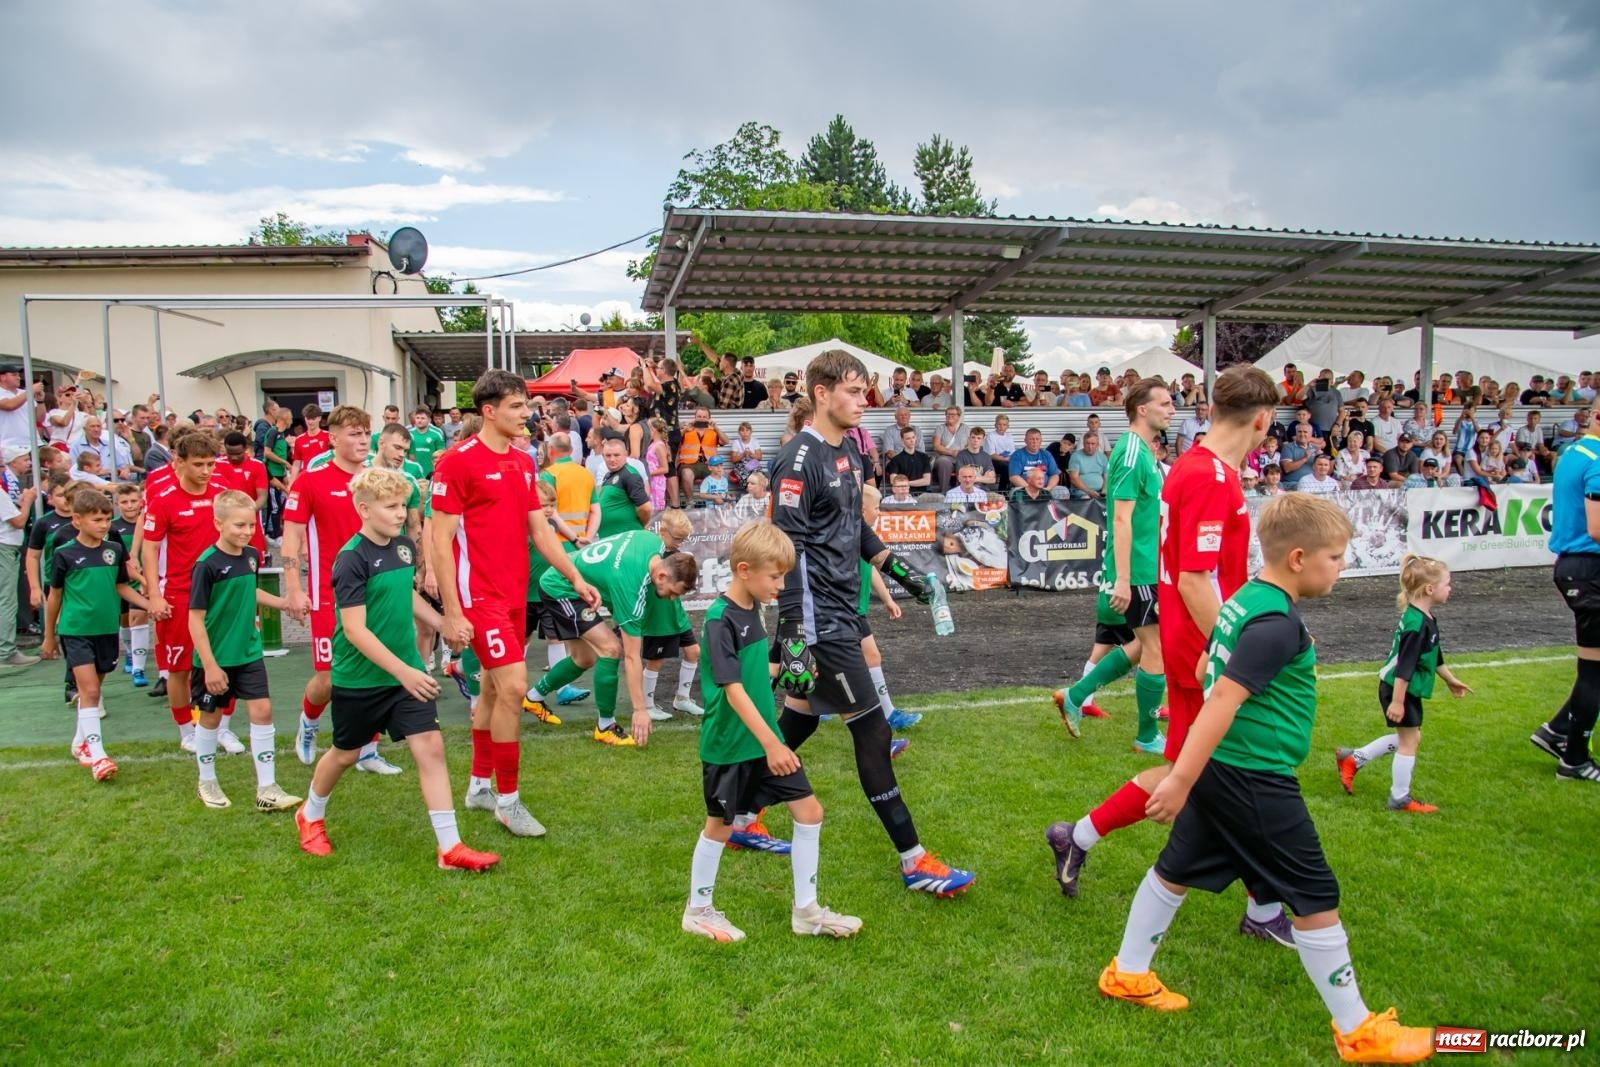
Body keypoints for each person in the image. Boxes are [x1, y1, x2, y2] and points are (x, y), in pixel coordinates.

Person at [1050, 367, 1295, 949]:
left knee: (1201, 771)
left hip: (1192, 644)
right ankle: (1262, 908)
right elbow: (1193, 579)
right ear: (1261, 419)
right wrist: (1231, 650)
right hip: (1202, 650)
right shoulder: (1207, 474)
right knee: (1245, 774)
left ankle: (1077, 837)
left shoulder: (1196, 466)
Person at [764, 348, 974, 895]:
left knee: (800, 721)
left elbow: (856, 531)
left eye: (866, 391)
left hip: (840, 610)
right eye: (854, 392)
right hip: (817, 618)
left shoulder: (853, 454)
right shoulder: (796, 458)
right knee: (875, 728)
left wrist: (908, 576)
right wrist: (794, 628)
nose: (866, 401)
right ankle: (913, 860)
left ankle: (737, 815)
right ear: (821, 393)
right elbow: (786, 547)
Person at [294, 468, 500, 872]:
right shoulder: (351, 559)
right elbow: (354, 630)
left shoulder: (403, 547)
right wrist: (405, 672)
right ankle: (310, 814)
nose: (400, 514)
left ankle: (450, 848)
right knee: (345, 753)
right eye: (390, 507)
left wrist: (442, 624)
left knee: (431, 748)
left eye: (403, 506)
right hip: (360, 678)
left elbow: (404, 593)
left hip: (404, 676)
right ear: (364, 509)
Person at [432, 370, 600, 837]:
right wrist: (451, 610)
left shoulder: (525, 462)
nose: (526, 414)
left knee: (490, 690)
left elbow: (540, 529)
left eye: (526, 405)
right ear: (488, 411)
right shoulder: (456, 462)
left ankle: (478, 787)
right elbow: (439, 540)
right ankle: (508, 800)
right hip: (478, 596)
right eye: (516, 407)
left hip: (513, 592)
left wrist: (574, 575)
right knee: (512, 688)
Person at [682, 520, 863, 943]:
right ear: (744, 570)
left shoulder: (752, 609)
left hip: (764, 741)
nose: (781, 585)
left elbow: (753, 673)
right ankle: (698, 909)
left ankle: (806, 912)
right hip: (732, 745)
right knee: (720, 827)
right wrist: (772, 743)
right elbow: (731, 689)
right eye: (775, 576)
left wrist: (789, 669)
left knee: (809, 812)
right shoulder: (719, 618)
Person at [282, 407, 402, 774]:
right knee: (329, 677)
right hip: (328, 594)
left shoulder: (379, 480)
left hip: (376, 591)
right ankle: (309, 720)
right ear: (332, 438)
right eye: (353, 433)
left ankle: (368, 751)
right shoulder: (311, 481)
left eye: (366, 433)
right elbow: (291, 538)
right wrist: (293, 589)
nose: (362, 440)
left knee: (377, 666)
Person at [1054, 379, 1172, 752]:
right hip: (1137, 571)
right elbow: (1120, 519)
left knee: (1141, 646)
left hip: (1147, 568)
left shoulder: (1142, 452)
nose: (1172, 409)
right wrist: (1122, 578)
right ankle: (1146, 736)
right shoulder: (1132, 453)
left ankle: (1076, 695)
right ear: (1143, 409)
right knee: (1156, 649)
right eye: (1165, 403)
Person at [524, 528, 698, 747]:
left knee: (584, 658)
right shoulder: (631, 587)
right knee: (611, 649)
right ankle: (605, 726)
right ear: (662, 576)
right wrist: (640, 709)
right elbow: (632, 657)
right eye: (674, 592)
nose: (672, 599)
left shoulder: (653, 542)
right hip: (561, 588)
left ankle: (533, 698)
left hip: (571, 581)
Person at [186, 490, 300, 811]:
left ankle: (267, 788)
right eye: (239, 525)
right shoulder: (206, 565)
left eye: (251, 525)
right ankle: (206, 780)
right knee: (211, 718)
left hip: (249, 652)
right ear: (218, 523)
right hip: (216, 658)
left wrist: (283, 603)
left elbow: (249, 592)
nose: (246, 531)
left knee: (262, 711)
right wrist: (209, 665)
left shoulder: (251, 556)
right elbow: (195, 620)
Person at [1336, 556, 1472, 815]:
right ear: (1429, 589)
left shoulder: (1425, 617)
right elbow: (1404, 667)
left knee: (1411, 738)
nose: (1450, 588)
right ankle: (1399, 798)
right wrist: (1398, 702)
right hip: (1399, 688)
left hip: (1403, 688)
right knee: (1409, 742)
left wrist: (1450, 679)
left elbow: (1433, 653)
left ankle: (1353, 758)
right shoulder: (1416, 624)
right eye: (1447, 583)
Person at [41, 487, 151, 782]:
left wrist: (149, 604)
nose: (104, 525)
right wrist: (49, 636)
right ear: (77, 520)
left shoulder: (113, 551)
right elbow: (55, 597)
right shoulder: (64, 554)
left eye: (106, 519)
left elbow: (121, 587)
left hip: (106, 630)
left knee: (94, 690)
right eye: (96, 520)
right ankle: (98, 754)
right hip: (76, 631)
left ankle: (80, 742)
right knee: (88, 690)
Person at [142, 431, 234, 751]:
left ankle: (221, 727)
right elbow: (150, 550)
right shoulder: (164, 500)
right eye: (198, 464)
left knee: (227, 659)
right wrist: (154, 594)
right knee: (180, 668)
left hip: (221, 591)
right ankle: (186, 731)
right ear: (179, 463)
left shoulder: (223, 496)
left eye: (211, 463)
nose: (206, 471)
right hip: (180, 593)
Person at [1528, 392, 1600, 782]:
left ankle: (1557, 730)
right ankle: (1573, 759)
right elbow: (1597, 528)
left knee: (1594, 669)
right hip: (1590, 569)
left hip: (1577, 567)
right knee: (1594, 672)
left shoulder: (1574, 453)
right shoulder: (1597, 461)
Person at [638, 509, 706, 722]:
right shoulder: (650, 552)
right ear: (663, 531)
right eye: (677, 538)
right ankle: (647, 704)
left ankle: (682, 698)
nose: (680, 543)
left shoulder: (677, 557)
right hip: (657, 618)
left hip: (677, 615)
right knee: (655, 660)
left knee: (694, 651)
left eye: (683, 539)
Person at [0, 449, 38, 669]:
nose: (4, 470)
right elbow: (18, 521)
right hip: (5, 547)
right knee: (6, 600)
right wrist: (28, 501)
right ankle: (6, 651)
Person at [110, 483, 148, 684]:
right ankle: (131, 653)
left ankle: (138, 669)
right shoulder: (112, 527)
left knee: (139, 617)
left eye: (134, 501)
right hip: (123, 581)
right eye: (124, 502)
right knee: (125, 620)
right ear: (117, 504)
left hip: (147, 579)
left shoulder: (150, 522)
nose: (130, 505)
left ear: (141, 502)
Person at [595, 437, 653, 535]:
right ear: (603, 456)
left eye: (616, 455)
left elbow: (645, 508)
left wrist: (639, 525)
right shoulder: (608, 475)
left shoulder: (630, 475)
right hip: (611, 538)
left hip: (625, 539)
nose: (612, 459)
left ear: (625, 454)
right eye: (608, 456)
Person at [677, 407, 722, 503]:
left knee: (719, 472)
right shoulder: (687, 429)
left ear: (709, 418)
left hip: (708, 464)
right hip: (688, 464)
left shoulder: (713, 431)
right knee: (687, 474)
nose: (701, 419)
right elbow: (674, 441)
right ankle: (690, 502)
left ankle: (715, 503)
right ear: (695, 417)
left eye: (704, 417)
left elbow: (726, 441)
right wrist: (684, 430)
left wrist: (716, 428)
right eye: (699, 416)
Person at [929, 406, 969, 491]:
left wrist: (962, 453)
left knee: (963, 462)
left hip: (961, 456)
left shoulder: (965, 428)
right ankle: (944, 492)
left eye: (953, 414)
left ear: (959, 416)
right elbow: (936, 446)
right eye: (947, 414)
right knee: (944, 462)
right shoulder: (940, 428)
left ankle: (961, 491)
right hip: (944, 456)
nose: (949, 416)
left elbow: (969, 445)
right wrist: (952, 452)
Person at [288, 404, 330, 483]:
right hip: (307, 480)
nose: (310, 422)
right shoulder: (299, 439)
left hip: (325, 478)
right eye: (308, 419)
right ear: (305, 418)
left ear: (319, 418)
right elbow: (297, 464)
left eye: (313, 419)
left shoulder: (328, 436)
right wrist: (291, 484)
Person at [884, 427, 933, 492]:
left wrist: (906, 483)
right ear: (902, 440)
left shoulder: (924, 457)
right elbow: (893, 481)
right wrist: (914, 483)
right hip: (904, 495)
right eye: (908, 438)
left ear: (916, 438)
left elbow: (927, 481)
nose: (912, 440)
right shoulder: (895, 460)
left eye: (913, 437)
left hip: (923, 495)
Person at [1067, 431, 1108, 501]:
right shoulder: (1076, 456)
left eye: (1093, 444)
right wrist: (1089, 491)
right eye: (1087, 443)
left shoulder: (1103, 457)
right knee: (1086, 499)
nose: (1090, 446)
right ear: (1083, 444)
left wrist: (1104, 491)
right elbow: (1074, 479)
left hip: (1099, 491)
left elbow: (1107, 476)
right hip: (1081, 492)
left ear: (1097, 445)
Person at [984, 414, 1015, 486]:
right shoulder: (991, 436)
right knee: (1006, 467)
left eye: (1004, 425)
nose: (1001, 427)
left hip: (1006, 460)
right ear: (995, 425)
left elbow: (1012, 453)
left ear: (1008, 426)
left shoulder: (1009, 436)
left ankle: (1014, 488)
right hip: (992, 461)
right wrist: (1007, 459)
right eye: (999, 424)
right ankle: (1002, 490)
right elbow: (991, 455)